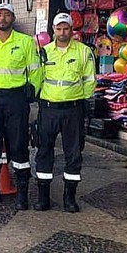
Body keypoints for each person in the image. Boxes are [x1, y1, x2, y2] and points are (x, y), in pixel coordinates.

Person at [0, 3, 42, 210]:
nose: (3, 18)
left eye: (7, 15)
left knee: (19, 145)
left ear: (13, 18)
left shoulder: (25, 42)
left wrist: (33, 91)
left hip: (16, 99)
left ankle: (22, 195)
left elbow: (35, 71)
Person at [34, 13, 96, 213]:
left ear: (72, 30)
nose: (62, 32)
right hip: (49, 109)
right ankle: (43, 198)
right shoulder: (44, 52)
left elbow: (90, 80)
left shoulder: (84, 52)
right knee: (44, 151)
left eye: (66, 28)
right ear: (53, 29)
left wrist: (78, 98)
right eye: (59, 28)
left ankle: (69, 198)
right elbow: (37, 78)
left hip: (73, 109)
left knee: (74, 153)